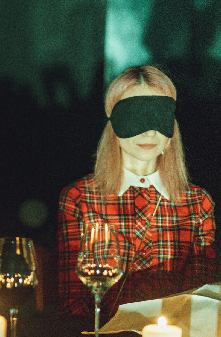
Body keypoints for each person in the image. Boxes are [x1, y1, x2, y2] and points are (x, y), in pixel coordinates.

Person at [58, 64, 216, 319]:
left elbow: (201, 299)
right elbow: (73, 302)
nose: (149, 131)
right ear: (113, 124)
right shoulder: (79, 199)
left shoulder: (198, 204)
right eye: (135, 115)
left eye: (159, 115)